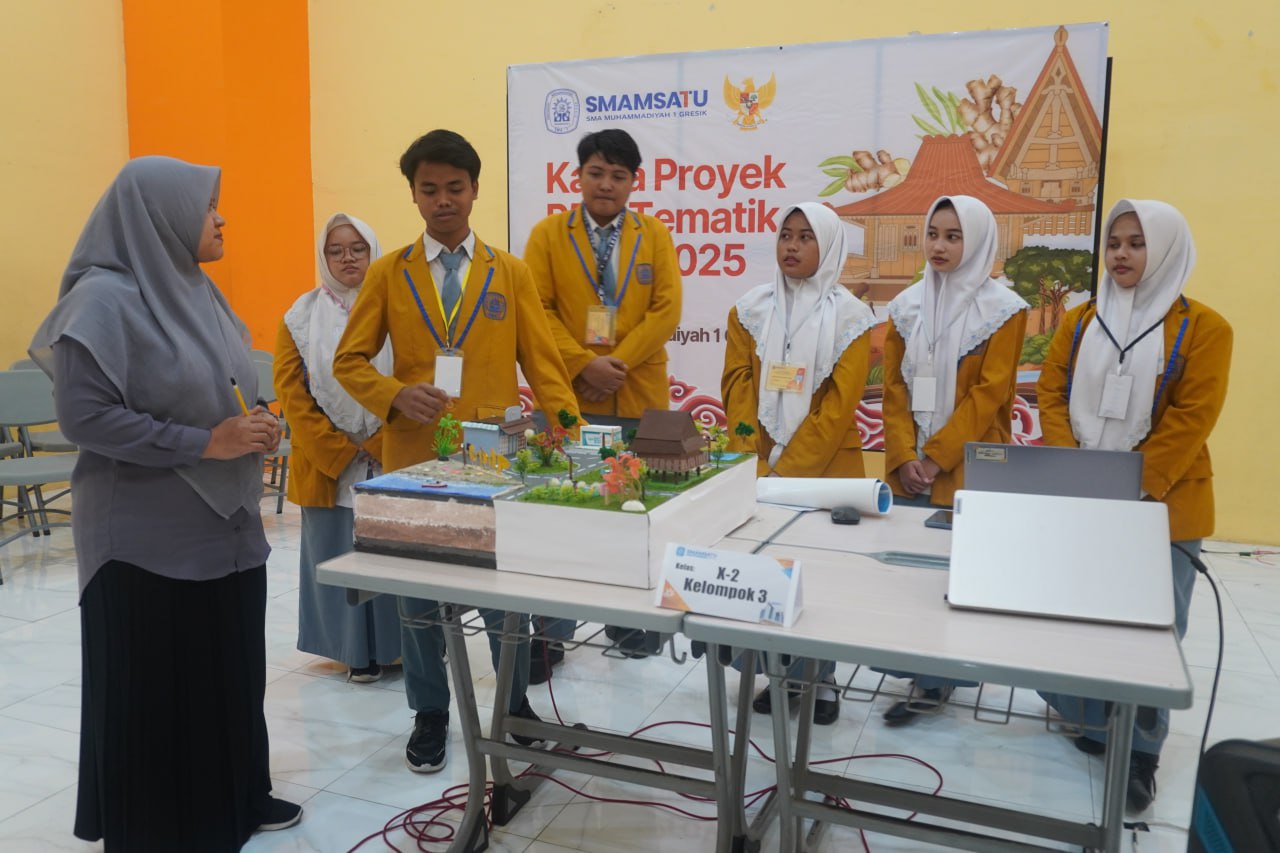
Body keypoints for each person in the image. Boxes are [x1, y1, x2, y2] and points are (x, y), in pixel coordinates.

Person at [28, 156, 301, 850]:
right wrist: (205, 442)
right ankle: (158, 822)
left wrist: (260, 419)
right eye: (210, 207)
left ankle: (236, 795)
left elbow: (231, 384)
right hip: (147, 542)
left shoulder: (197, 291)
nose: (221, 219)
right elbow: (84, 418)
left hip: (226, 530)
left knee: (227, 671)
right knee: (158, 687)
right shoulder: (103, 300)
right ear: (161, 215)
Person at [333, 129, 580, 774]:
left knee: (505, 595)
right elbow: (348, 360)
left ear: (473, 190)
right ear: (413, 196)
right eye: (428, 189)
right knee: (417, 601)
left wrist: (572, 436)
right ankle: (430, 714)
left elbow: (546, 366)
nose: (443, 200)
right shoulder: (389, 273)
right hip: (414, 459)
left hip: (494, 457)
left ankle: (517, 704)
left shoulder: (511, 272)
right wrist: (392, 395)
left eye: (455, 187)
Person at [1036, 199, 1231, 813]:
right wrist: (1079, 472)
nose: (1121, 254)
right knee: (1081, 616)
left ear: (1168, 250)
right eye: (1114, 243)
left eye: (1137, 243)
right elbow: (1051, 392)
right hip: (1086, 497)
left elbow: (1191, 419)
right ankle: (1094, 726)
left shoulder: (1205, 328)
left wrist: (1131, 487)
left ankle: (1142, 754)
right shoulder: (1081, 318)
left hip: (1163, 505)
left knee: (1152, 632)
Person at [524, 128, 682, 670]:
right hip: (570, 393)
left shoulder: (655, 235)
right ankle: (550, 635)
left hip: (636, 392)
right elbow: (538, 310)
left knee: (633, 512)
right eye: (596, 172)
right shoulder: (547, 235)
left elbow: (666, 310)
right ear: (578, 176)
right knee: (564, 513)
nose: (606, 185)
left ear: (634, 182)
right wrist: (583, 363)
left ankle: (630, 626)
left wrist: (618, 365)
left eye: (618, 175)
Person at [721, 203, 875, 725]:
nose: (791, 246)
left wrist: (790, 470)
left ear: (828, 246)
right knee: (771, 573)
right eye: (785, 235)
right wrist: (755, 456)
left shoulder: (853, 317)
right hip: (761, 465)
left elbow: (839, 404)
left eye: (805, 237)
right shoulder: (750, 308)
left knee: (819, 578)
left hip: (826, 472)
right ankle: (778, 675)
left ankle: (823, 682)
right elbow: (737, 386)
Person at [878, 195, 1029, 726]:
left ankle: (938, 681)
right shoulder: (905, 307)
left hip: (967, 464)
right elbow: (892, 388)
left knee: (955, 573)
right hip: (909, 466)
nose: (939, 246)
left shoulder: (1003, 310)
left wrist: (937, 457)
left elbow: (990, 395)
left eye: (954, 236)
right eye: (934, 233)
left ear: (979, 242)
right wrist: (902, 455)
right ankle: (916, 663)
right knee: (906, 572)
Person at [275, 213, 401, 682]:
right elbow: (291, 393)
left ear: (373, 251)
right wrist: (342, 449)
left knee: (392, 553)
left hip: (392, 452)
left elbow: (417, 380)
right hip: (327, 462)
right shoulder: (299, 316)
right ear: (323, 257)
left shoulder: (398, 307)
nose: (347, 258)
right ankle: (354, 653)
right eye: (336, 250)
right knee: (336, 552)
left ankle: (399, 649)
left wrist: (380, 441)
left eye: (357, 249)